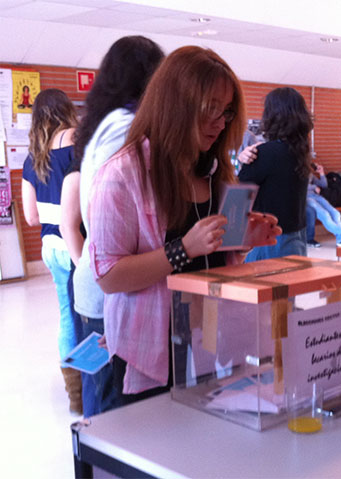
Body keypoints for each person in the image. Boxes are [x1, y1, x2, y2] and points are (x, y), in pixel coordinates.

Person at [89, 46, 280, 403]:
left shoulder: (215, 168)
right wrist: (182, 249)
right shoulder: (121, 174)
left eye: (226, 113)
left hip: (211, 344)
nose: (220, 124)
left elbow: (211, 257)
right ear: (177, 105)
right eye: (210, 111)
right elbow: (109, 275)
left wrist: (242, 240)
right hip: (151, 353)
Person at [60, 35, 164, 417]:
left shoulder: (104, 125)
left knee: (101, 401)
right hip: (114, 289)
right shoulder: (127, 130)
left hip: (97, 280)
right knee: (113, 415)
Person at [21, 89, 82, 414]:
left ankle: (73, 391)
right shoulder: (77, 143)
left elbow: (31, 216)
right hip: (76, 246)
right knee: (86, 313)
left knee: (66, 315)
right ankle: (91, 383)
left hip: (49, 248)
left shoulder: (32, 158)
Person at [238, 87, 311, 262]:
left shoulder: (264, 153)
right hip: (297, 237)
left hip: (268, 240)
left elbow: (237, 193)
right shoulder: (301, 152)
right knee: (289, 288)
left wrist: (242, 162)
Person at [307, 162, 341, 247]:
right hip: (306, 198)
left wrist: (321, 173)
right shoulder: (296, 171)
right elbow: (298, 186)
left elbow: (323, 185)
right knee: (325, 215)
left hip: (317, 196)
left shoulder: (309, 173)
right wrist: (313, 187)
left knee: (336, 213)